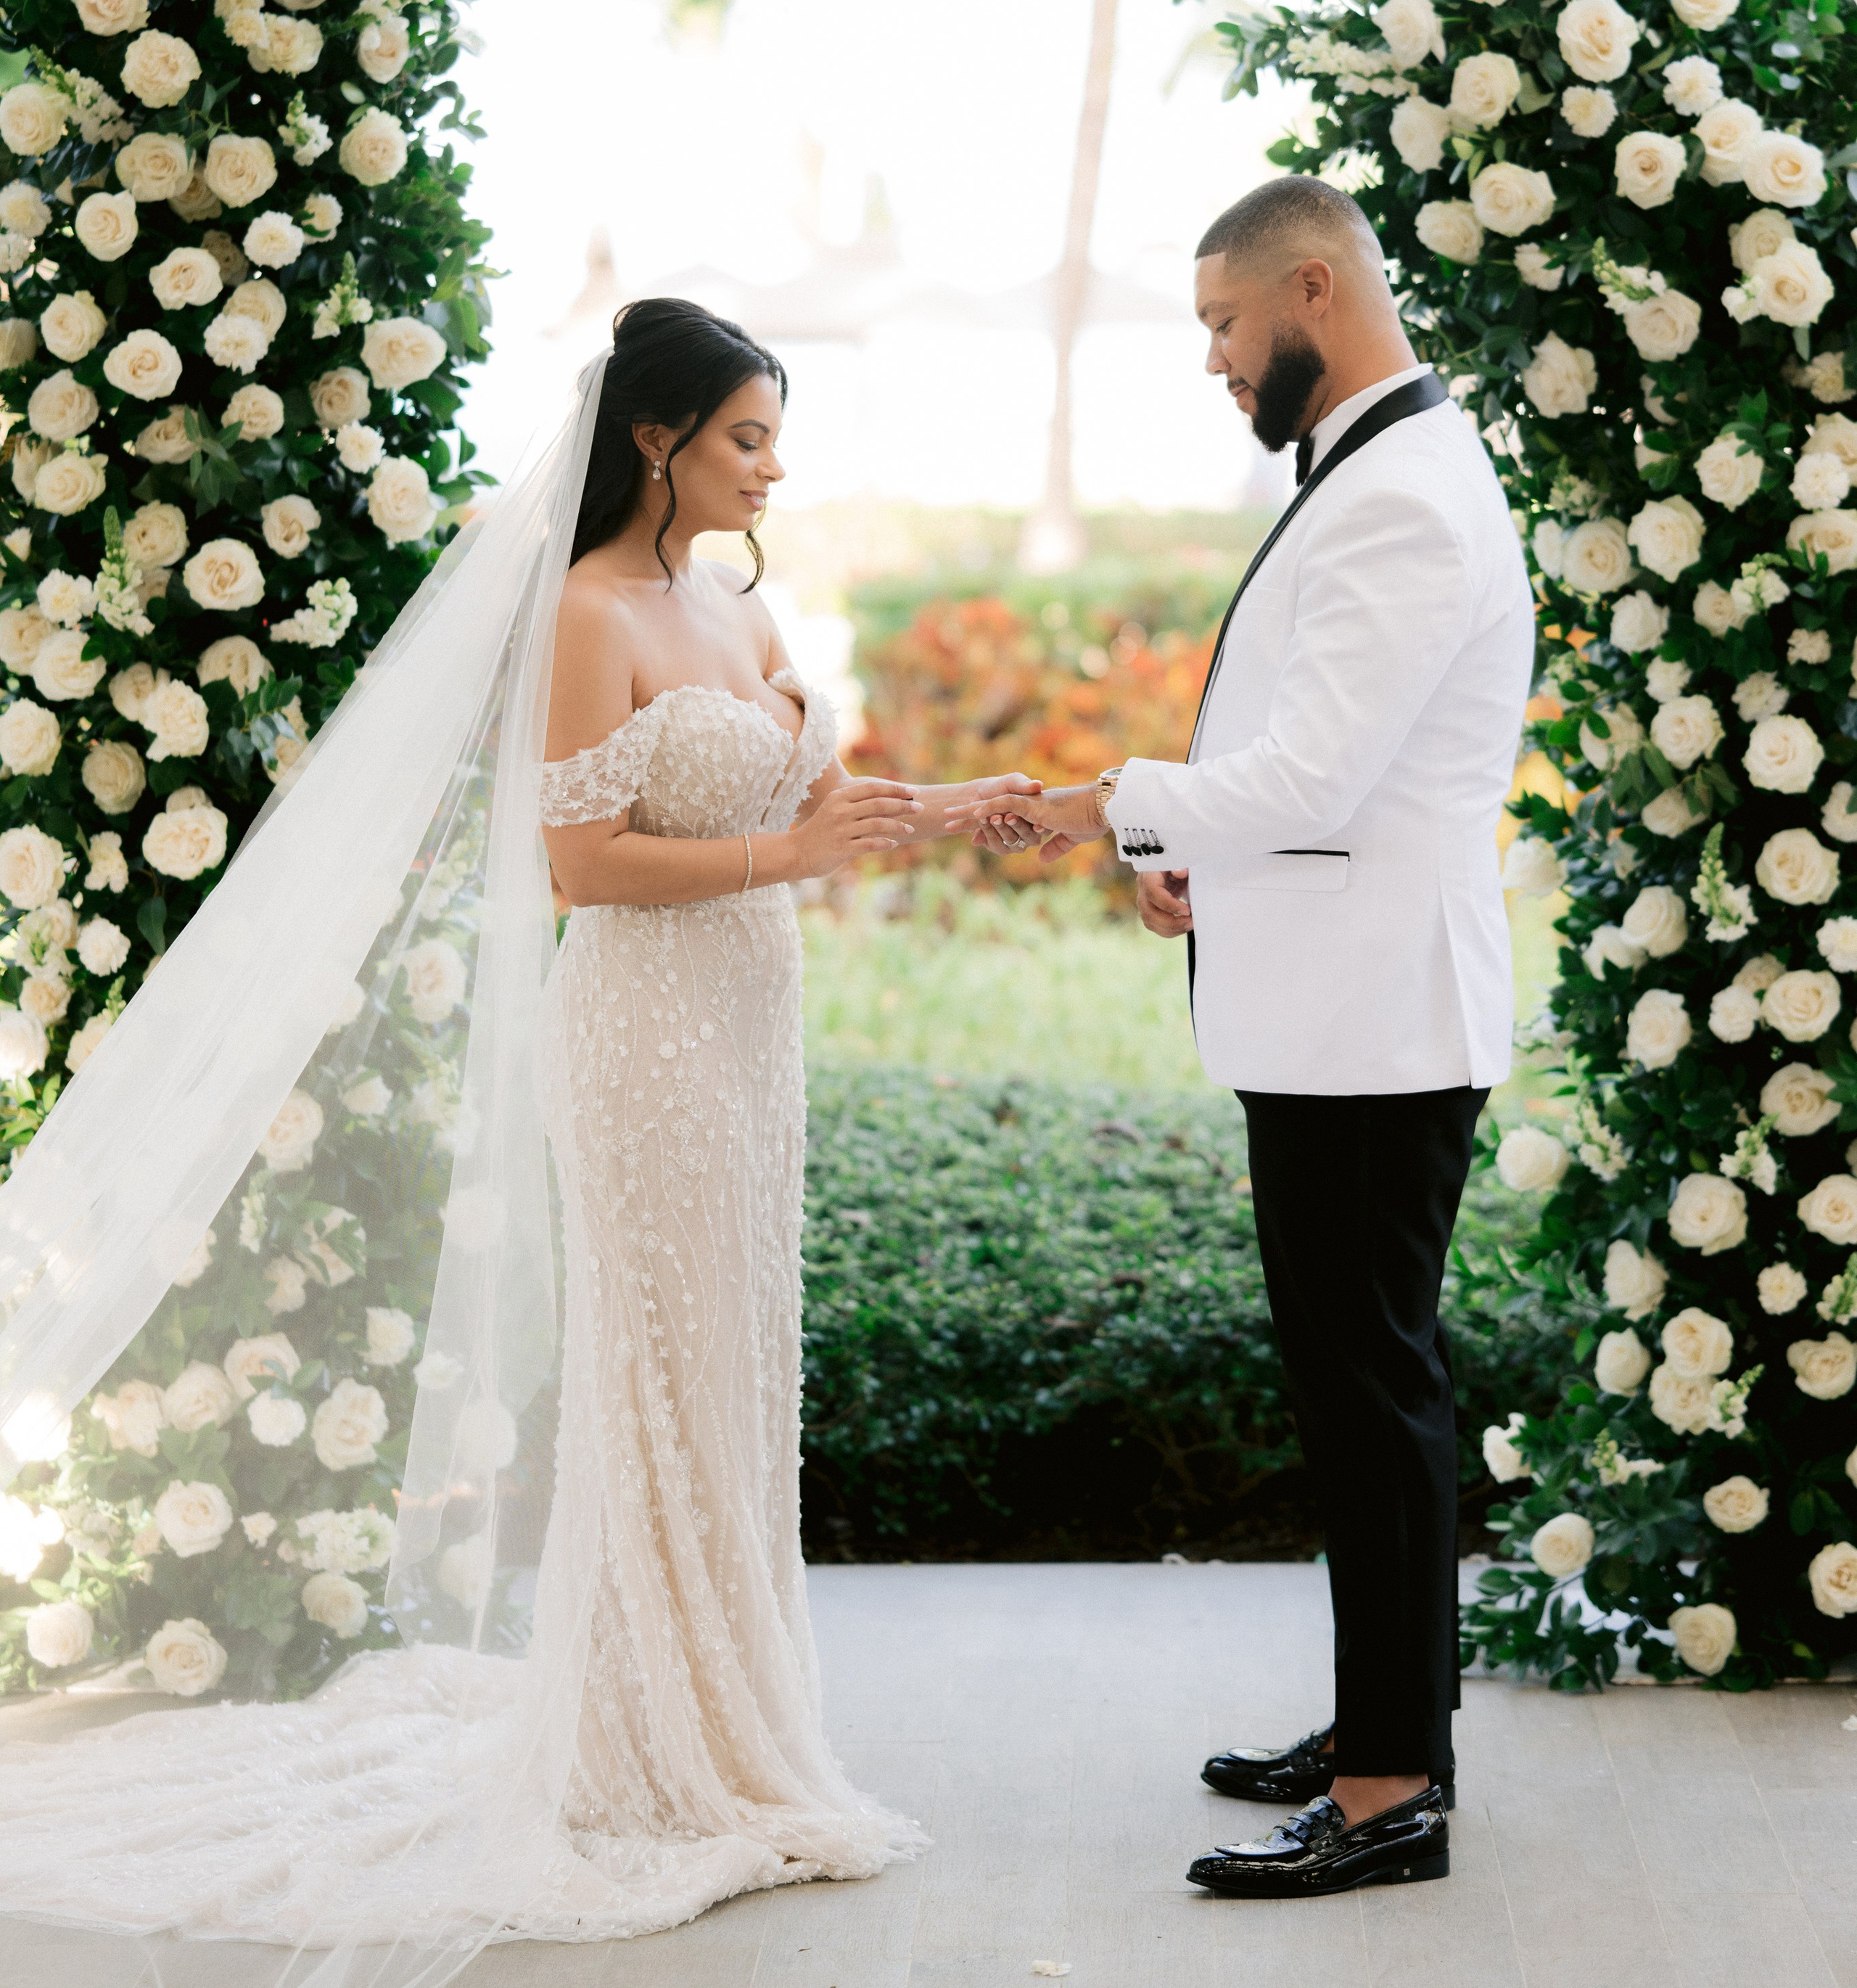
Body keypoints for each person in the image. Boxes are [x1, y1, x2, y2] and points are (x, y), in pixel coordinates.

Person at [0, 299, 1037, 1975]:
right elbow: (583, 865)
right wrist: (790, 863)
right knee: (654, 1364)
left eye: (774, 436)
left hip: (749, 1030)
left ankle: (733, 1719)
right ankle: (644, 1742)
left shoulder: (721, 605)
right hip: (639, 1036)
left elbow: (802, 803)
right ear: (657, 441)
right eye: (747, 436)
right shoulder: (589, 612)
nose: (774, 467)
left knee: (734, 1361)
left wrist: (943, 812)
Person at [958, 176, 1535, 1903]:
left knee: (1369, 1387)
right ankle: (1394, 1718)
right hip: (1344, 1003)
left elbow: (1312, 777)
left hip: (1372, 1026)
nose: (1213, 359)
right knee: (1368, 1378)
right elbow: (1315, 763)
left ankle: (1383, 1787)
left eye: (1223, 323)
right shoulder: (1381, 465)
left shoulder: (1404, 495)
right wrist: (1191, 858)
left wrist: (1101, 808)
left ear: (1310, 288)